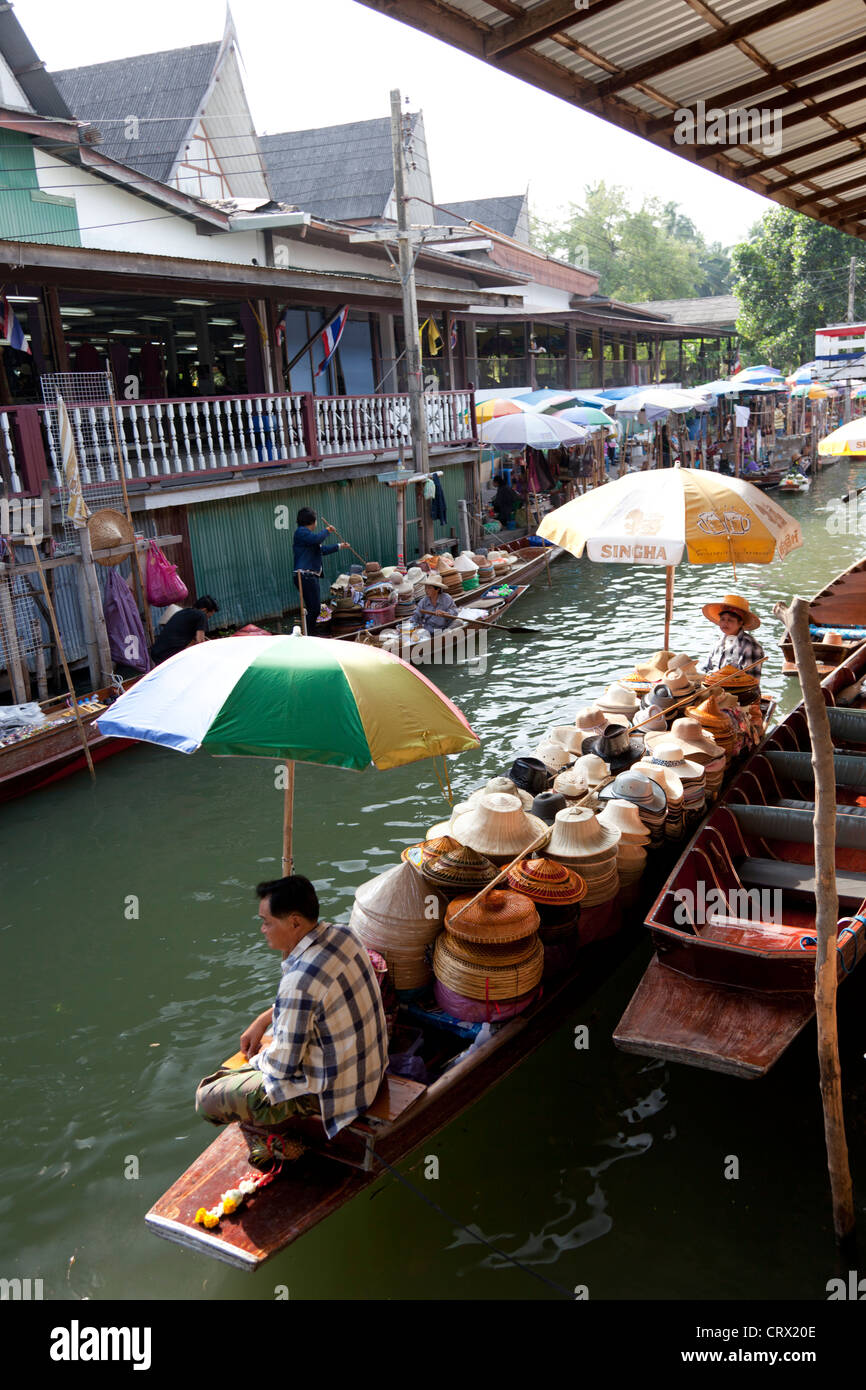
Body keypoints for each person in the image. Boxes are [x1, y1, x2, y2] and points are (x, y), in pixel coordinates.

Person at [195, 875, 388, 1165]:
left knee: (207, 1098)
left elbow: (281, 1067)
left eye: (267, 922)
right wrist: (264, 1018)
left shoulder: (299, 981)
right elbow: (314, 997)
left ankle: (281, 1134)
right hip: (371, 1070)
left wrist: (253, 1064)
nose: (262, 929)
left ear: (295, 922)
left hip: (339, 1096)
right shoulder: (344, 935)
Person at [292, 507, 349, 632]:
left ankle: (308, 633)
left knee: (314, 608)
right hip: (305, 576)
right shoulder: (302, 532)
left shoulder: (308, 536)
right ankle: (309, 634)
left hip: (308, 576)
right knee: (314, 609)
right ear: (312, 521)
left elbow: (321, 550)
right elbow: (317, 539)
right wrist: (327, 530)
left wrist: (340, 546)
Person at [699, 593, 765, 679]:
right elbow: (706, 669)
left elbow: (751, 681)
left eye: (730, 620)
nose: (725, 623)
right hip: (715, 688)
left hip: (740, 691)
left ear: (740, 623)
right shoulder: (719, 641)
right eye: (722, 619)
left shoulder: (750, 646)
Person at [149, 595, 219, 664]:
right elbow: (200, 642)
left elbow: (190, 639)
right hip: (168, 655)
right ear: (205, 610)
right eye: (209, 616)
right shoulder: (201, 615)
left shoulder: (183, 612)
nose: (207, 619)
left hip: (157, 652)